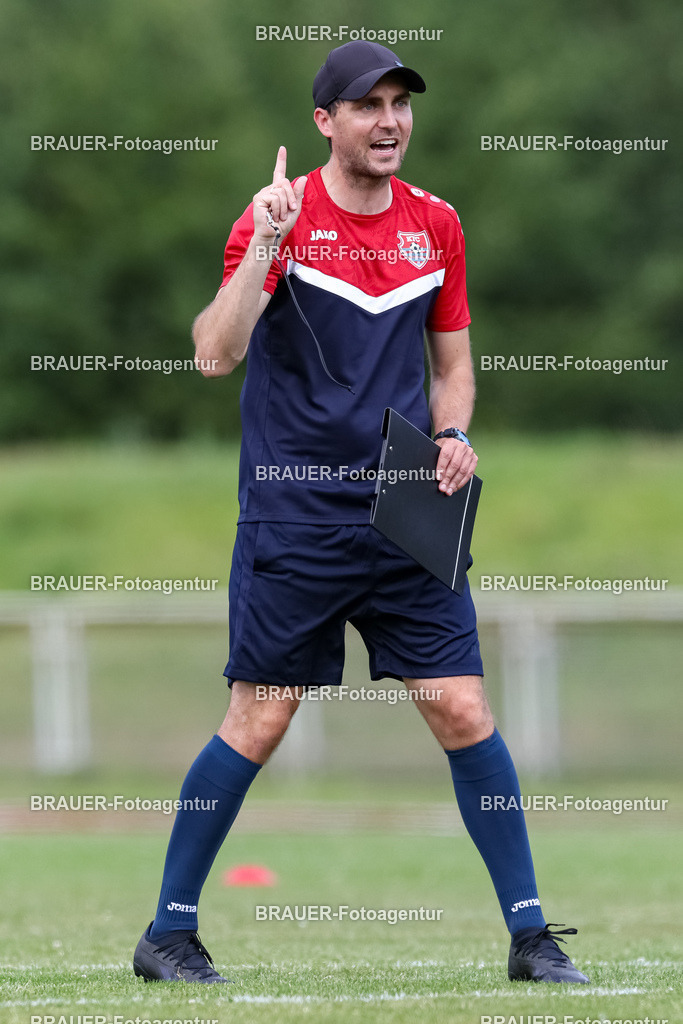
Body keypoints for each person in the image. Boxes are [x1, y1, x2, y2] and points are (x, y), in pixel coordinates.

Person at [133, 41, 589, 986]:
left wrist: (454, 436)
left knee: (462, 708)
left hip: (408, 507)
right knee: (258, 719)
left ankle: (531, 938)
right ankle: (168, 933)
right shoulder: (279, 219)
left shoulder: (437, 224)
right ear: (324, 123)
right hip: (294, 516)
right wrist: (263, 245)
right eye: (367, 105)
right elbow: (213, 355)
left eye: (399, 104)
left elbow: (452, 367)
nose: (389, 121)